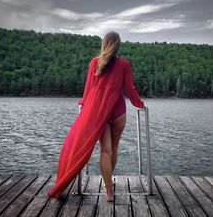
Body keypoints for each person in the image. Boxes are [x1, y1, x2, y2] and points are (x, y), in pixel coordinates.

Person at [47, 31, 145, 202]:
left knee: (104, 150)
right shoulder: (124, 65)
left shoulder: (95, 63)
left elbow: (88, 89)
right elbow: (129, 89)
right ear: (118, 46)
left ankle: (108, 192)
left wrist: (84, 104)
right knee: (113, 148)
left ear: (104, 44)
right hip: (118, 111)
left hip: (97, 112)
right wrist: (140, 104)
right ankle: (109, 182)